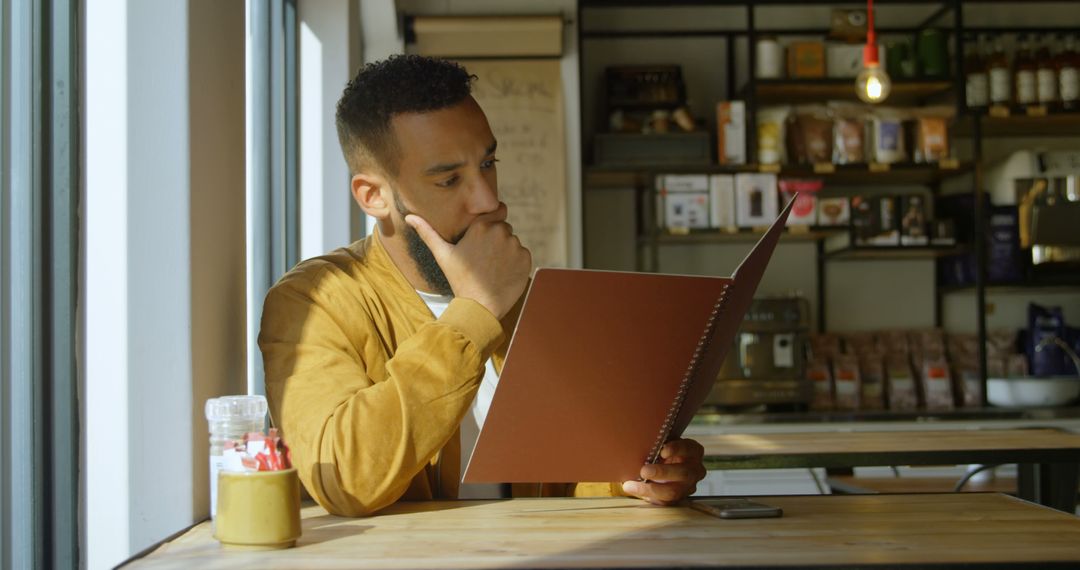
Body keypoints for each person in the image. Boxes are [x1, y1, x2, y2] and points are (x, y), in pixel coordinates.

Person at [258, 54, 707, 517]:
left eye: (488, 163)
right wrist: (475, 312)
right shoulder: (313, 300)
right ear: (374, 196)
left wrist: (636, 480)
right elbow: (344, 479)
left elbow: (566, 479)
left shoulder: (528, 299)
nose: (490, 200)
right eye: (449, 179)